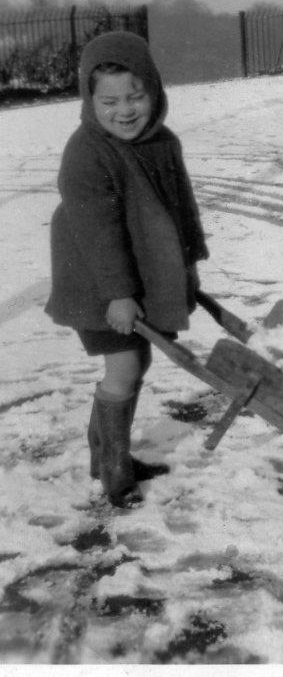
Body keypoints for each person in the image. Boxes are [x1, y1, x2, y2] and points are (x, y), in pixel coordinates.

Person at [45, 30, 208, 508]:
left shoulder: (163, 143)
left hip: (144, 277)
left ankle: (106, 455)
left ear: (154, 91)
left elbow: (182, 211)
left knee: (140, 362)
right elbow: (98, 235)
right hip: (97, 281)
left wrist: (188, 267)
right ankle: (114, 469)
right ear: (88, 101)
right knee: (125, 365)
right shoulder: (86, 153)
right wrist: (118, 293)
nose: (125, 111)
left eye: (135, 96)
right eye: (109, 101)